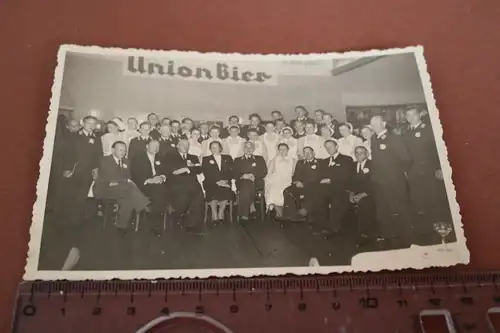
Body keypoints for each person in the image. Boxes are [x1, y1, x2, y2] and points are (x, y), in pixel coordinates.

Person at [403, 108, 450, 244]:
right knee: (418, 201)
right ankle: (423, 230)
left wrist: (439, 167)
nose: (411, 117)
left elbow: (438, 149)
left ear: (419, 115)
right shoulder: (405, 132)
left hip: (429, 171)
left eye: (413, 114)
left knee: (433, 199)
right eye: (408, 115)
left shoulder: (429, 129)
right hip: (413, 173)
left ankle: (438, 230)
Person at [370, 115, 412, 248]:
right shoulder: (373, 138)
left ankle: (403, 237)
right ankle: (388, 234)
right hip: (379, 181)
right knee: (383, 209)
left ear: (384, 123)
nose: (374, 127)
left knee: (398, 208)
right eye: (372, 125)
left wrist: (395, 173)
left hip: (393, 181)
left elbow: (406, 159)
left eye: (376, 124)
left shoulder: (393, 137)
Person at [93, 141, 149, 232]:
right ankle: (145, 205)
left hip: (121, 189)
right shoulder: (104, 160)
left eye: (125, 150)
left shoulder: (127, 161)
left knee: (128, 198)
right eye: (120, 150)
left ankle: (121, 227)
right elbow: (111, 177)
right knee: (130, 187)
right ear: (113, 150)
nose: (123, 153)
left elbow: (129, 176)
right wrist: (124, 181)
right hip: (105, 189)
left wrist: (122, 181)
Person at [61, 115, 103, 225]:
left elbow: (99, 156)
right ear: (83, 123)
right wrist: (67, 168)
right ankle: (67, 219)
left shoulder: (96, 138)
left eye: (93, 124)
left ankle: (76, 221)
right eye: (89, 123)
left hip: (88, 172)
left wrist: (96, 170)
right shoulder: (74, 136)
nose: (91, 126)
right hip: (75, 171)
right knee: (71, 195)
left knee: (82, 197)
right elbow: (67, 154)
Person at [164, 139, 205, 234]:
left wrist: (186, 169)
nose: (185, 147)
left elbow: (199, 169)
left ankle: (192, 225)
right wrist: (188, 167)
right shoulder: (170, 156)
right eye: (182, 145)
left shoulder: (193, 157)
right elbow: (173, 171)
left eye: (187, 145)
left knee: (198, 197)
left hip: (193, 184)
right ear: (177, 146)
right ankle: (179, 220)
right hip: (177, 185)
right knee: (182, 197)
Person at [130, 140, 167, 231]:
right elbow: (135, 174)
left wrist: (162, 177)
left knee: (161, 191)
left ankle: (155, 221)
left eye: (157, 146)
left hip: (158, 184)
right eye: (153, 146)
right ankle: (155, 224)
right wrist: (149, 180)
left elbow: (165, 172)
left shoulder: (161, 157)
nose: (156, 148)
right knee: (159, 193)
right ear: (147, 146)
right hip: (144, 185)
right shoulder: (138, 157)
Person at [317, 140, 352, 235]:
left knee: (337, 198)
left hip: (340, 187)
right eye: (326, 147)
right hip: (325, 188)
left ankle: (334, 227)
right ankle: (323, 226)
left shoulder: (346, 159)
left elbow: (346, 175)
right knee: (317, 197)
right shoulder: (324, 161)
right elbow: (319, 175)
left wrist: (331, 180)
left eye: (331, 146)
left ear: (337, 147)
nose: (329, 149)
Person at [282, 147, 322, 222]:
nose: (307, 154)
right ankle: (289, 215)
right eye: (305, 152)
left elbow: (318, 177)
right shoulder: (300, 162)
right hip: (299, 185)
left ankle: (304, 211)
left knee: (312, 192)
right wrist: (296, 182)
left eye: (309, 152)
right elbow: (295, 175)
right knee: (287, 191)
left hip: (312, 185)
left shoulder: (319, 162)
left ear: (313, 153)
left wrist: (304, 183)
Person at [349, 146, 377, 246]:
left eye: (361, 152)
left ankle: (365, 234)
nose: (358, 154)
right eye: (356, 152)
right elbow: (351, 182)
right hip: (357, 193)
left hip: (371, 193)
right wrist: (351, 194)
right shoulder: (352, 165)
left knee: (365, 204)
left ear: (367, 154)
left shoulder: (373, 165)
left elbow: (375, 183)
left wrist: (364, 194)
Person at [233, 141, 267, 221]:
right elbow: (234, 173)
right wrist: (243, 176)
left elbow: (264, 171)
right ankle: (251, 204)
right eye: (246, 147)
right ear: (243, 149)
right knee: (246, 184)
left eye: (250, 147)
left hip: (256, 182)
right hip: (242, 182)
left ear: (254, 149)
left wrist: (254, 176)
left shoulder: (259, 158)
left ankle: (244, 213)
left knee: (247, 185)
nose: (248, 149)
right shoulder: (237, 160)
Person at [202, 141, 234, 223]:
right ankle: (214, 214)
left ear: (220, 148)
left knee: (225, 190)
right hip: (211, 182)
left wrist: (225, 181)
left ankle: (221, 213)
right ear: (210, 149)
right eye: (212, 147)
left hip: (225, 182)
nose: (214, 149)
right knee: (213, 190)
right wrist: (217, 182)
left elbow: (232, 171)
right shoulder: (206, 159)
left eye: (216, 147)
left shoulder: (228, 158)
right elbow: (206, 173)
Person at [265, 143, 296, 218]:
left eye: (284, 149)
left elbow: (295, 173)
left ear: (288, 150)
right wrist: (266, 181)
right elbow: (268, 173)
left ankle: (283, 212)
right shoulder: (274, 159)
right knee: (273, 189)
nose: (282, 151)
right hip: (276, 178)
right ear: (278, 151)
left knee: (285, 190)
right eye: (280, 149)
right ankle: (277, 210)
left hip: (288, 178)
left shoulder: (293, 160)